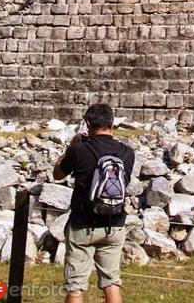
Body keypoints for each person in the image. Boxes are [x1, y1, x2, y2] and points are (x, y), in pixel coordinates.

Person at [54, 104, 135, 303]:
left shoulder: (79, 150)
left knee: (76, 286)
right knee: (111, 282)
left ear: (88, 123)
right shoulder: (127, 153)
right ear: (112, 123)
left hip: (82, 224)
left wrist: (71, 146)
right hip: (114, 225)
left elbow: (57, 174)